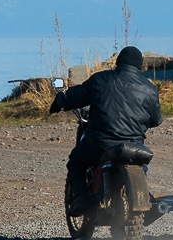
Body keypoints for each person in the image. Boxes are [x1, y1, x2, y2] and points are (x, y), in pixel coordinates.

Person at [49, 45, 163, 216]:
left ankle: (82, 199)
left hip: (101, 144)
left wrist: (59, 100)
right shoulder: (149, 89)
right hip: (134, 145)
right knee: (141, 164)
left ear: (118, 62)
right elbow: (155, 119)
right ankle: (142, 194)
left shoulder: (101, 79)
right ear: (139, 65)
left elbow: (75, 96)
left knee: (76, 161)